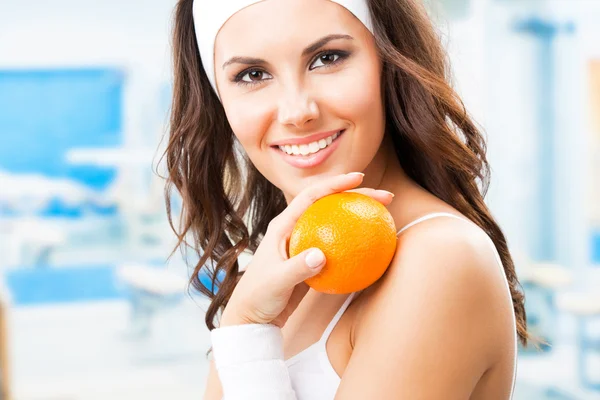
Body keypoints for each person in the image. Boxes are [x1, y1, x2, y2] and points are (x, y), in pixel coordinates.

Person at [164, 0, 530, 398]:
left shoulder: (441, 257)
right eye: (252, 74)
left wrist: (245, 330)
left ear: (389, 61)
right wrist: (243, 323)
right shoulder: (274, 273)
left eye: (327, 58)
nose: (297, 111)